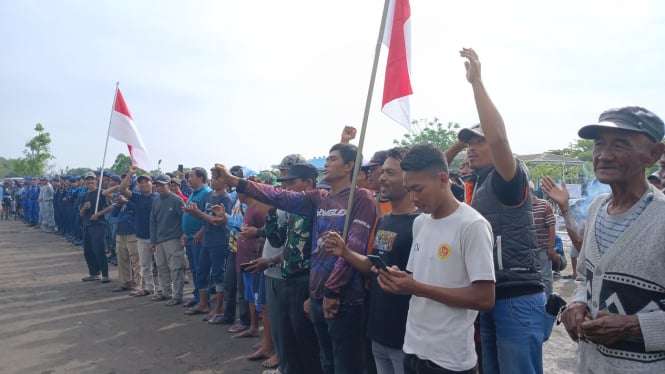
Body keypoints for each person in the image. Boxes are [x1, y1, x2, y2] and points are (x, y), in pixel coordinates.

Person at [214, 142, 377, 374]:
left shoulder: (361, 198)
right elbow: (279, 196)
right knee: (326, 364)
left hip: (343, 300)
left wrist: (331, 291)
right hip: (319, 296)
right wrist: (235, 182)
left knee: (346, 367)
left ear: (350, 165)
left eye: (333, 159)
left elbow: (354, 247)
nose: (327, 163)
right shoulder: (320, 198)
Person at [451, 48, 545, 373]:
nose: (472, 147)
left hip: (516, 297)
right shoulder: (477, 184)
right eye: (469, 143)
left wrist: (476, 82)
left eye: (479, 141)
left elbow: (500, 141)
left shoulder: (509, 178)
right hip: (489, 297)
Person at [560, 106, 665, 373]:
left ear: (653, 154)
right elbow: (584, 276)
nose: (604, 155)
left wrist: (633, 326)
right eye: (598, 145)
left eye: (620, 145)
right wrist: (578, 302)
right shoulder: (597, 208)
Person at [325, 146, 420, 374]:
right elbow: (372, 266)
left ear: (410, 177)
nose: (382, 178)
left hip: (406, 336)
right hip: (378, 331)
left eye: (391, 173)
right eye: (382, 172)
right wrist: (345, 252)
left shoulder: (422, 223)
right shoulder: (385, 220)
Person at [246, 161, 324, 374]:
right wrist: (270, 213)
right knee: (288, 338)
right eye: (285, 184)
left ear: (309, 182)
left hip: (306, 279)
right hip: (287, 278)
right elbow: (278, 240)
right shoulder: (293, 210)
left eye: (292, 182)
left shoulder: (319, 206)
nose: (287, 188)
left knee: (306, 343)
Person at [183, 170, 231, 320]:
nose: (213, 181)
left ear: (225, 182)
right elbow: (205, 218)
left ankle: (218, 308)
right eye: (213, 178)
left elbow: (219, 221)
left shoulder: (226, 198)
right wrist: (194, 213)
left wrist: (197, 213)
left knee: (218, 274)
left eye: (217, 179)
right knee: (201, 271)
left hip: (219, 241)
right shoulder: (210, 196)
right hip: (207, 240)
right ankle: (203, 303)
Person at [119, 167, 159, 296]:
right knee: (145, 265)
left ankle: (165, 290)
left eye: (146, 182)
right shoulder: (137, 197)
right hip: (141, 235)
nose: (143, 184)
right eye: (141, 182)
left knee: (161, 265)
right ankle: (148, 288)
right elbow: (122, 189)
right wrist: (131, 172)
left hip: (157, 237)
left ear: (152, 183)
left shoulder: (157, 197)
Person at [149, 174, 186, 305]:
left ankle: (177, 296)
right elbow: (153, 221)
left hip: (174, 239)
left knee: (176, 268)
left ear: (168, 185)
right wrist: (152, 240)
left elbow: (184, 218)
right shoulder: (156, 201)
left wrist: (183, 233)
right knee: (161, 268)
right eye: (157, 185)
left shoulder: (176, 200)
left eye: (161, 185)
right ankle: (166, 293)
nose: (158, 188)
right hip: (159, 240)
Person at [180, 167, 212, 308]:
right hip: (190, 237)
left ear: (201, 178)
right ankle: (197, 296)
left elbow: (210, 217)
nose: (188, 179)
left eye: (191, 176)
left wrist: (201, 232)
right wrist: (185, 232)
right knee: (194, 269)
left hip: (199, 238)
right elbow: (190, 214)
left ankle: (204, 301)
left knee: (201, 270)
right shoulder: (194, 193)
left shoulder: (207, 194)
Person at [79, 172, 114, 283]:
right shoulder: (84, 196)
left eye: (92, 179)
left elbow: (110, 207)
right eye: (87, 180)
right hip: (87, 225)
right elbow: (81, 214)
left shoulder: (101, 193)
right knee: (87, 250)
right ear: (85, 182)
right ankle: (94, 273)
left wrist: (98, 214)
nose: (90, 182)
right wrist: (84, 208)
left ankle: (105, 274)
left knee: (98, 249)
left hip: (99, 225)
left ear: (96, 180)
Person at [530, 181, 557, 298]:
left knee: (546, 278)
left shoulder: (544, 205)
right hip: (529, 250)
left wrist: (551, 247)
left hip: (543, 249)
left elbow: (552, 226)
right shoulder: (522, 207)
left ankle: (548, 304)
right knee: (533, 277)